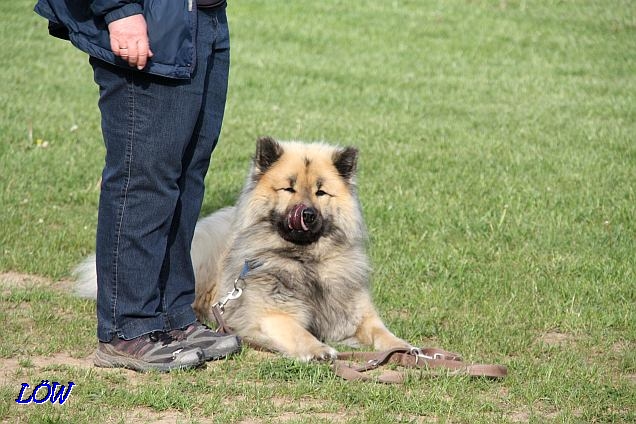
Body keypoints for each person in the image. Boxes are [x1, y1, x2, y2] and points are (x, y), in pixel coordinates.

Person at [34, 0, 240, 372]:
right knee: (143, 177)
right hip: (146, 15)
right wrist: (119, 11)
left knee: (187, 174)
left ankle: (174, 316)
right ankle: (127, 328)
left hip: (203, 17)